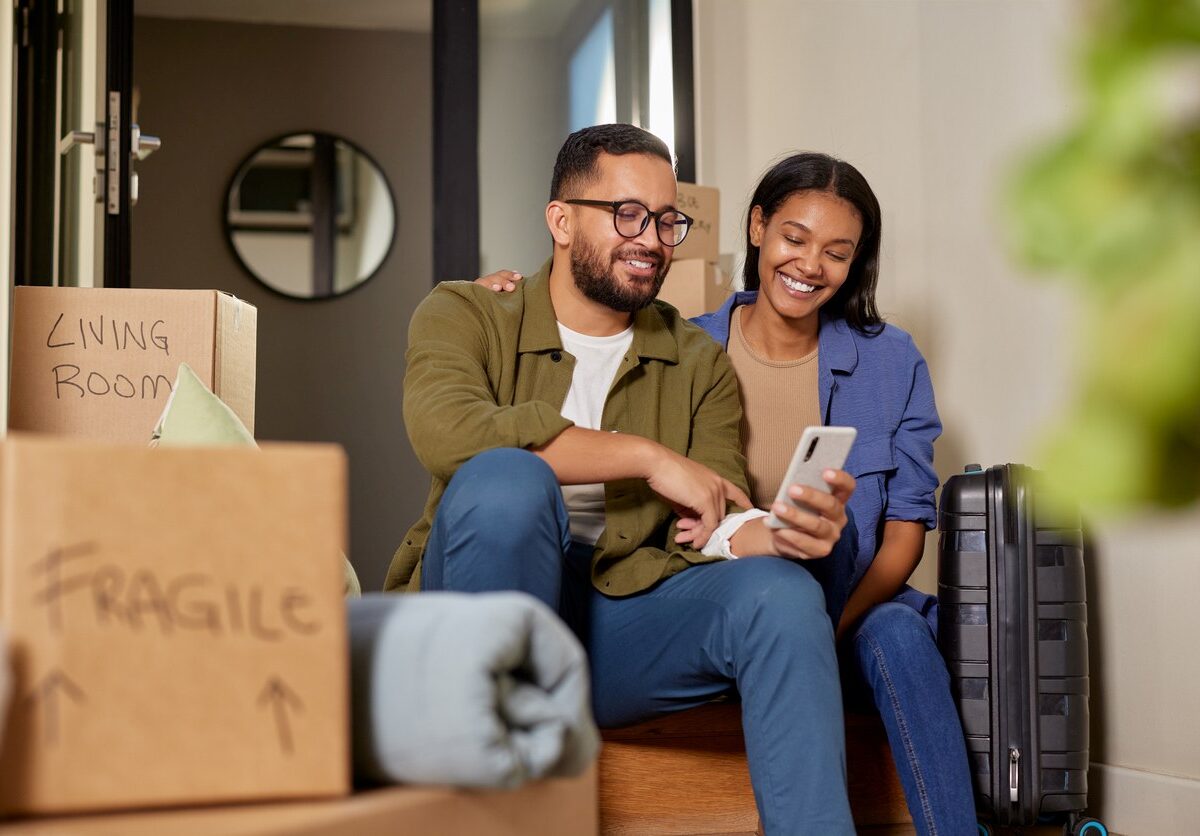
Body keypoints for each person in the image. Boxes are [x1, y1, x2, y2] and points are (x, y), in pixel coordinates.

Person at [482, 152, 978, 835]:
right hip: (729, 587)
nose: (811, 265)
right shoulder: (690, 348)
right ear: (757, 228)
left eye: (837, 253)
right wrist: (507, 296)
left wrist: (828, 628)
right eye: (795, 238)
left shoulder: (891, 360)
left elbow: (903, 538)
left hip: (852, 604)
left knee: (900, 633)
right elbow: (587, 308)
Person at [389, 124, 859, 834]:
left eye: (667, 221)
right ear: (561, 221)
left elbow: (714, 516)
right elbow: (450, 434)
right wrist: (646, 456)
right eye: (628, 214)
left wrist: (783, 533)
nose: (652, 240)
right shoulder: (468, 313)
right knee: (510, 482)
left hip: (618, 626)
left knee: (784, 595)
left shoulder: (697, 361)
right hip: (480, 615)